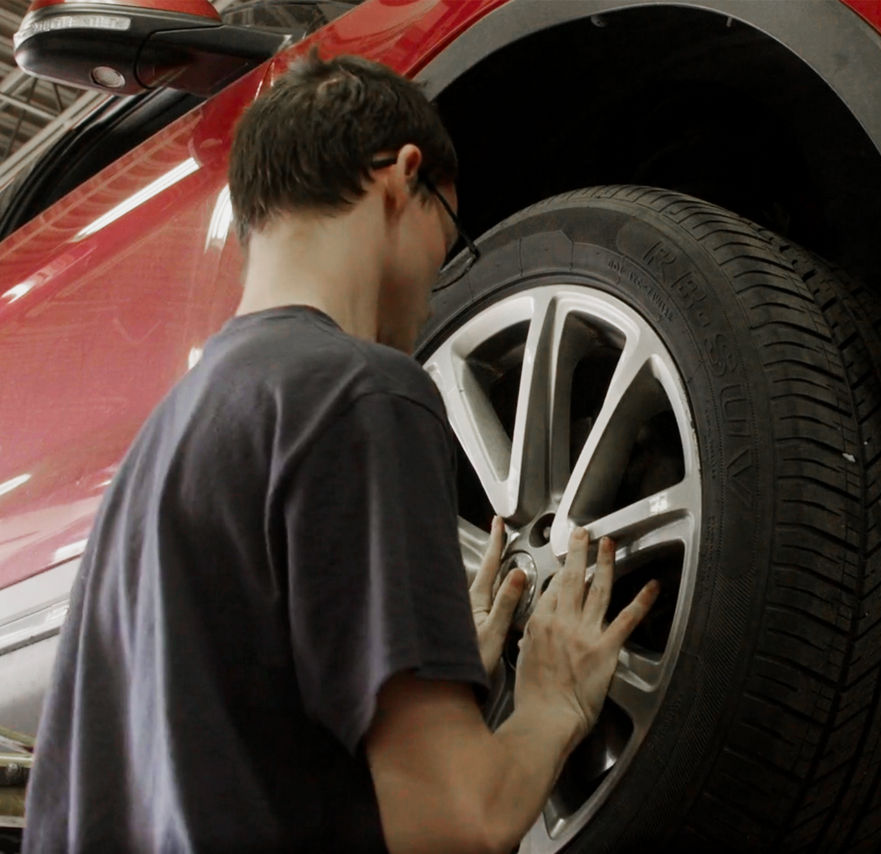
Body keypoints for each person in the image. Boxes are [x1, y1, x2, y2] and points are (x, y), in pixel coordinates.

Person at [22, 51, 659, 853]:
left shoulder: (164, 446)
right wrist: (551, 700)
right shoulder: (362, 392)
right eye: (449, 233)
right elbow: (455, 825)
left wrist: (402, 645)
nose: (436, 283)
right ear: (403, 176)